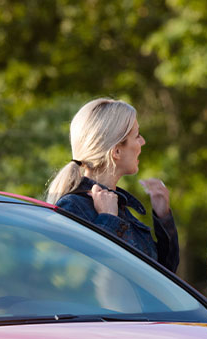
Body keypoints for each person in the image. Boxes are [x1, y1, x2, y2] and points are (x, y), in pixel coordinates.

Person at [47, 98, 179, 273]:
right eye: (137, 136)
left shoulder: (118, 205)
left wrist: (163, 216)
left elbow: (164, 273)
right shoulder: (73, 206)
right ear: (116, 151)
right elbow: (72, 277)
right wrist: (108, 219)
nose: (143, 142)